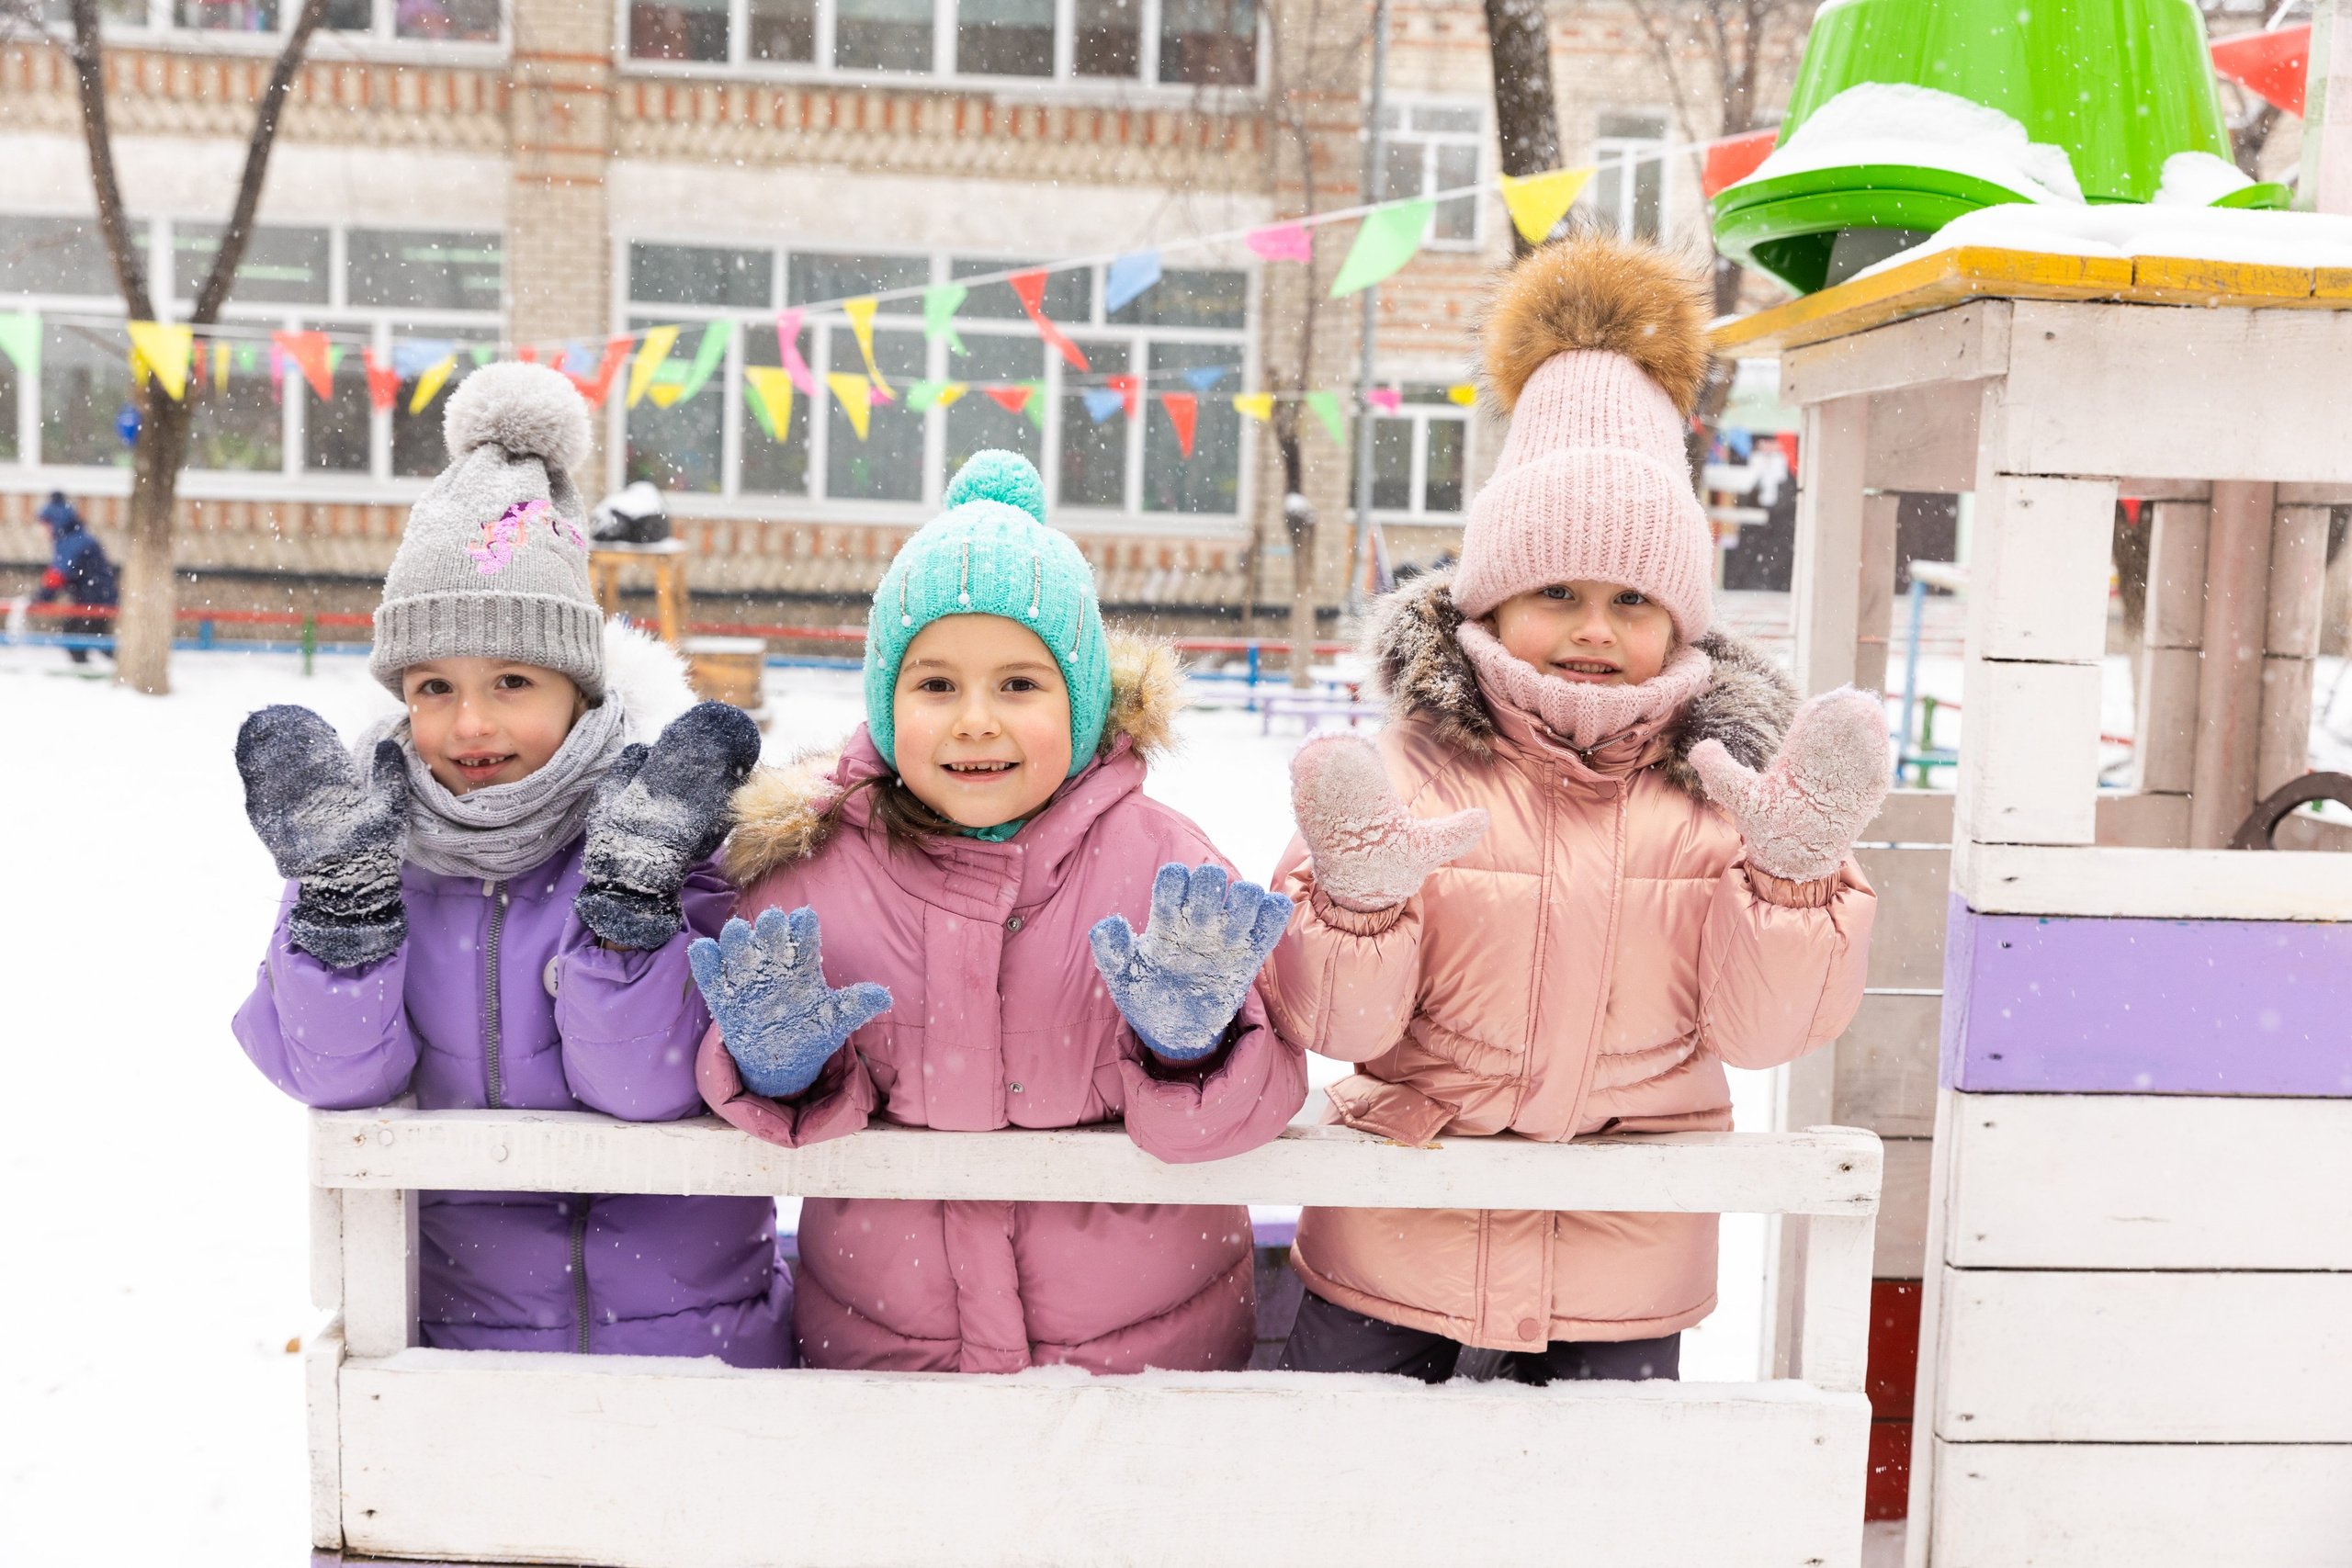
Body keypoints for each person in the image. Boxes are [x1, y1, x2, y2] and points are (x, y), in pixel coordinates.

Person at [1263, 232, 1885, 1385]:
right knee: (1339, 1499)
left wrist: (1789, 882)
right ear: (1491, 604)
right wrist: (1356, 909)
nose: (1595, 630)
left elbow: (1758, 1037)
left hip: (1622, 1252)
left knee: (1599, 1518)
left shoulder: (1719, 800)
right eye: (1556, 592)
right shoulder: (1407, 776)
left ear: (1681, 620)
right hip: (1401, 1223)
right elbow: (1334, 1028)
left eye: (1630, 599)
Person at [693, 450, 1307, 1373]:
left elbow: (1246, 1112)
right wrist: (784, 1076)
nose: (974, 719)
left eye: (1018, 684)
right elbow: (789, 1129)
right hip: (889, 1357)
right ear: (886, 703)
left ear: (1083, 699)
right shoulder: (811, 879)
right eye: (936, 685)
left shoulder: (1162, 867)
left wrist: (1194, 1051)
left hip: (1140, 1366)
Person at [231, 363, 793, 1365]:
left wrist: (629, 910)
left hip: (691, 1343)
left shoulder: (667, 829)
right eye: (434, 684)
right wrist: (346, 925)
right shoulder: (362, 851)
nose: (470, 722)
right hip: (458, 1338)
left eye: (513, 680)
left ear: (580, 690)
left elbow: (652, 1090)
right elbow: (333, 1078)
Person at [35, 491, 118, 664]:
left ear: (55, 523)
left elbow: (58, 574)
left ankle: (99, 674)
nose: (42, 531)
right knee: (94, 640)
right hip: (97, 599)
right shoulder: (75, 538)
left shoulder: (71, 542)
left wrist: (42, 597)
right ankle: (117, 668)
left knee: (77, 639)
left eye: (44, 525)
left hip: (94, 602)